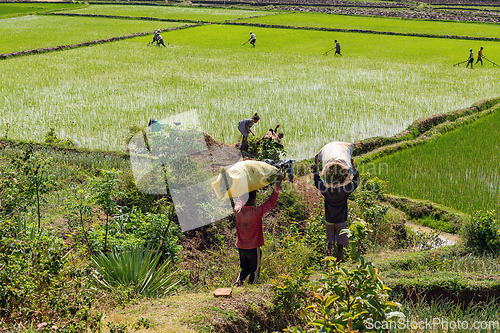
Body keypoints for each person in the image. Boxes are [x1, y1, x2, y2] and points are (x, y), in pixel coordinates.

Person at [233, 173, 285, 286]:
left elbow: (240, 199)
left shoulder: (237, 211)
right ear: (253, 200)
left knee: (244, 269)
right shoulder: (256, 212)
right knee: (255, 271)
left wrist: (244, 182)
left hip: (241, 247)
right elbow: (271, 202)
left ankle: (238, 283)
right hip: (253, 248)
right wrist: (278, 183)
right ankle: (252, 288)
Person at [313, 154, 360, 264]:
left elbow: (316, 179)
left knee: (330, 243)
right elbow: (356, 181)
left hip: (329, 220)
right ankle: (336, 266)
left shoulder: (326, 190)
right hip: (341, 222)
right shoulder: (344, 190)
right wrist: (352, 164)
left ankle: (327, 266)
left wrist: (316, 164)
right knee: (340, 247)